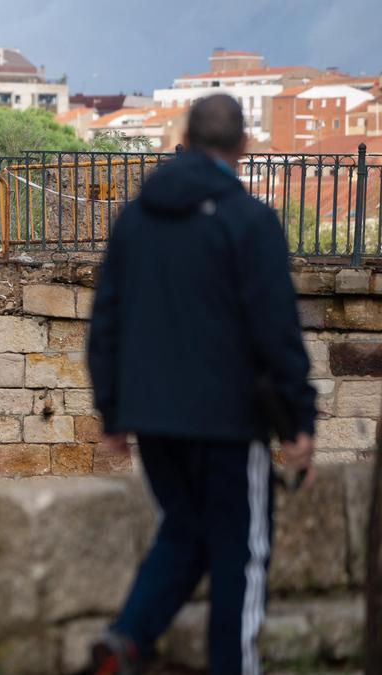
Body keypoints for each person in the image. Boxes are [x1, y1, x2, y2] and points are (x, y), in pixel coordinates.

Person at [85, 93, 317, 675]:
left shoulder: (135, 220)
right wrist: (298, 422)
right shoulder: (251, 221)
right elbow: (276, 330)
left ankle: (127, 640)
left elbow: (106, 319)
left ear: (182, 142)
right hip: (229, 422)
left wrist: (113, 413)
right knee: (241, 557)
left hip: (153, 419)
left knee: (186, 529)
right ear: (243, 147)